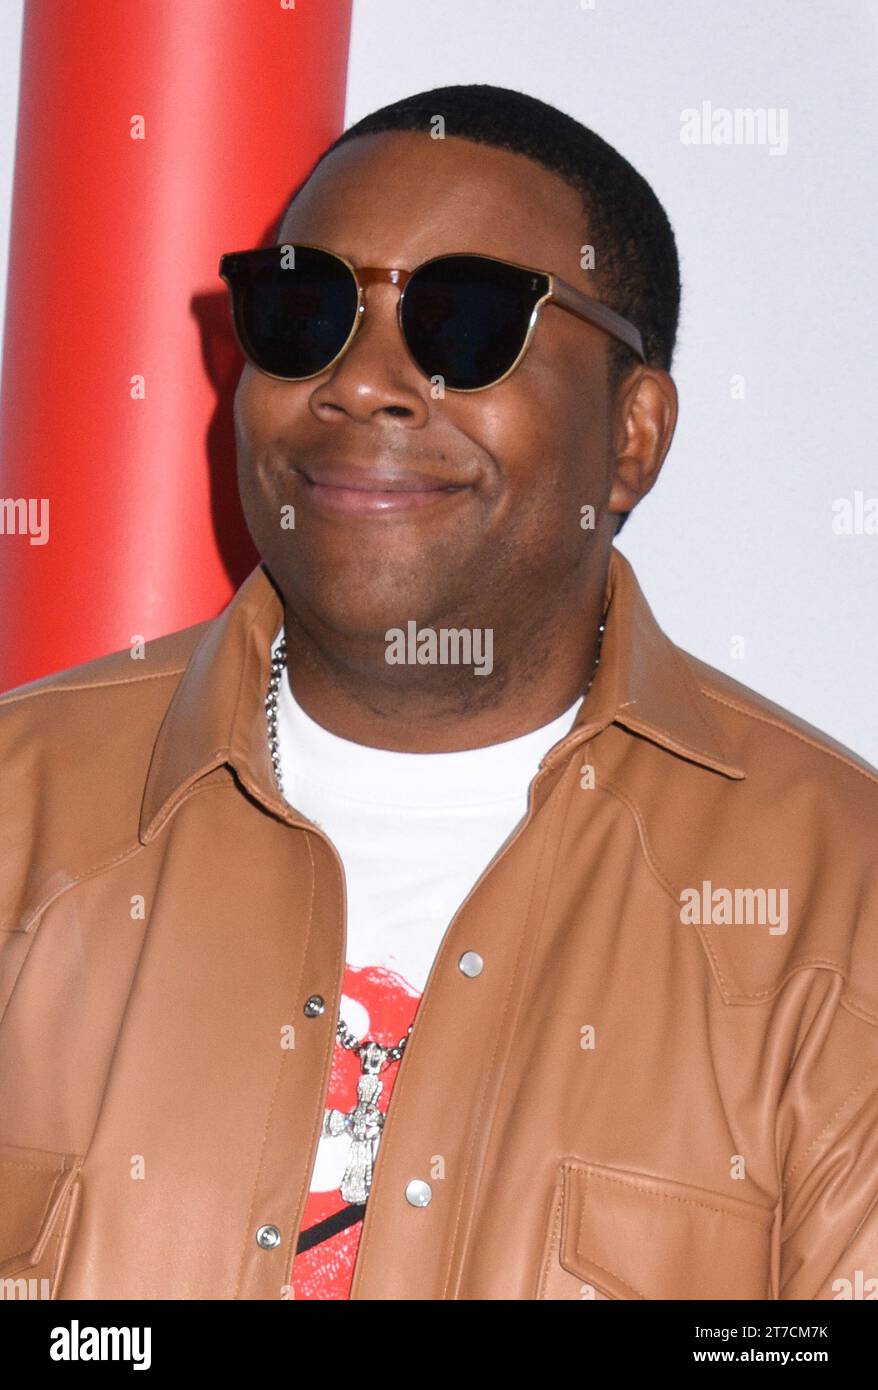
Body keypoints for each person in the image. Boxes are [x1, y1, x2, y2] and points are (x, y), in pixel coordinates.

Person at [1, 84, 876, 1302]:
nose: (361, 384)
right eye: (303, 310)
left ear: (631, 434)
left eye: (463, 323)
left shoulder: (841, 899)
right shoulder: (18, 819)